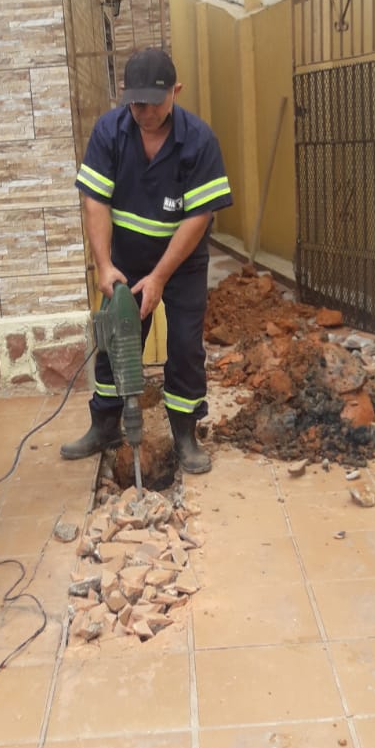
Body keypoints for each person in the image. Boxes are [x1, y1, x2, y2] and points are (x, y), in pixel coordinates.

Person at [61, 47, 232, 474]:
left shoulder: (199, 140)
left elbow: (198, 218)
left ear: (176, 91)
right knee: (117, 338)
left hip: (181, 262)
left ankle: (184, 434)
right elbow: (95, 201)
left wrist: (158, 277)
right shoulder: (110, 131)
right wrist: (105, 265)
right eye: (136, 103)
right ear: (125, 95)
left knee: (185, 346)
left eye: (154, 103)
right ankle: (105, 425)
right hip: (126, 259)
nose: (145, 112)